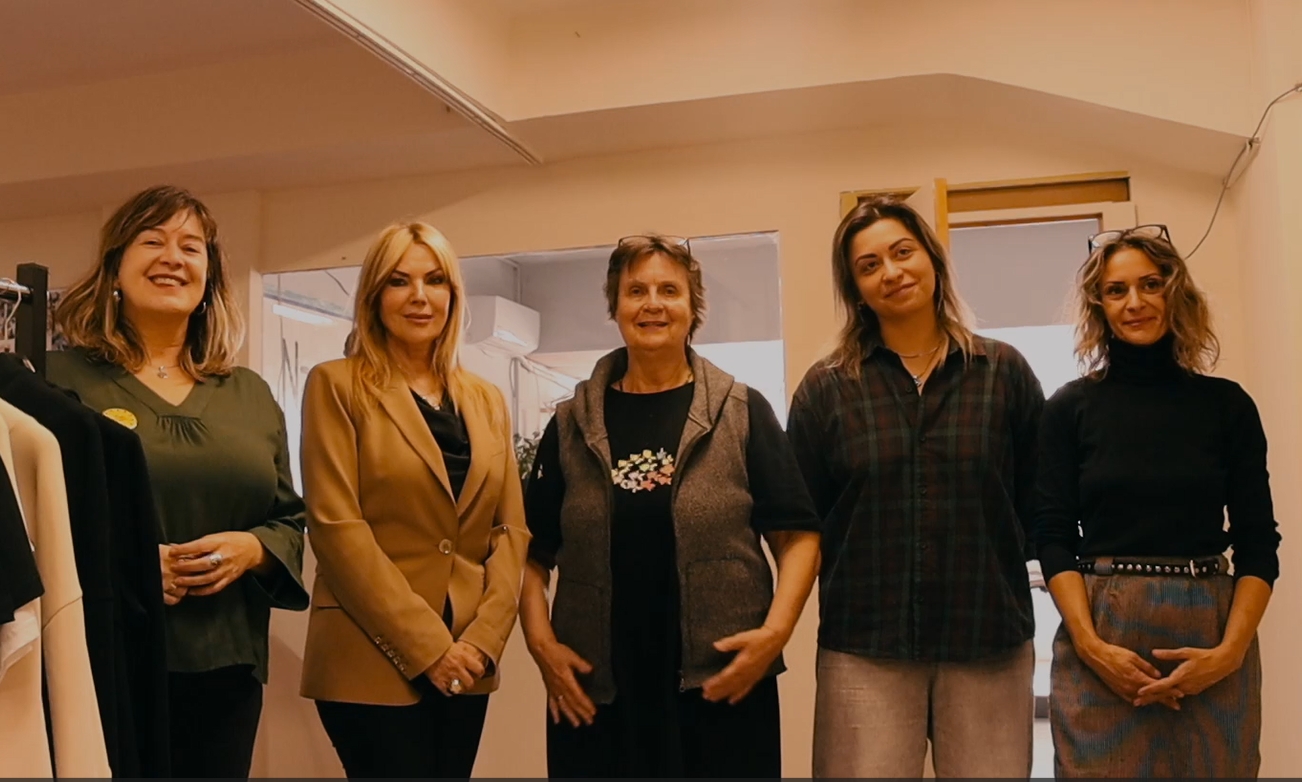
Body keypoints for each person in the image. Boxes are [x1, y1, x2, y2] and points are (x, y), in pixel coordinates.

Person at [519, 234, 821, 778]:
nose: (652, 304)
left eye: (669, 290)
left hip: (722, 684)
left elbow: (797, 536)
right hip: (595, 691)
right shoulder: (568, 425)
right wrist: (542, 647)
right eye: (636, 291)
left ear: (692, 306)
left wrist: (775, 635)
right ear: (615, 306)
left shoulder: (742, 412)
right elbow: (529, 552)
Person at [50, 185, 308, 779]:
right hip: (103, 659)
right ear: (114, 267)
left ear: (209, 278)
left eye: (191, 247)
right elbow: (35, 524)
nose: (173, 257)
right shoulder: (59, 383)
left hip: (226, 670)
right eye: (152, 241)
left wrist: (252, 549)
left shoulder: (249, 394)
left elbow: (289, 522)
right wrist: (130, 564)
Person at [787, 197, 1044, 778]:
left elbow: (1038, 502)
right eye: (869, 265)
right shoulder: (826, 389)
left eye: (903, 252)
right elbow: (803, 522)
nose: (892, 272)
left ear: (932, 259)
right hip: (863, 646)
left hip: (989, 639)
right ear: (855, 289)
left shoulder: (1004, 372)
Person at [1035, 224, 1280, 778]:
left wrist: (1230, 653)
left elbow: (1259, 544)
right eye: (1116, 290)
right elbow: (1051, 536)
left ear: (1175, 292)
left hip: (1212, 635)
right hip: (1101, 631)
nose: (1135, 302)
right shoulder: (1069, 409)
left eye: (1150, 284)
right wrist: (1092, 648)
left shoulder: (1228, 406)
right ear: (1099, 306)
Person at [299, 221, 530, 779]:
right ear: (374, 297)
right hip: (368, 655)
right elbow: (337, 529)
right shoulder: (336, 385)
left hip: (468, 658)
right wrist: (430, 649)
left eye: (435, 280)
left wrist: (483, 640)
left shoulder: (486, 399)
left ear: (454, 294)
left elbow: (510, 531)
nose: (419, 296)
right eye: (399, 281)